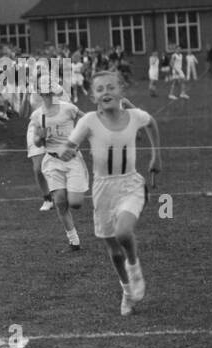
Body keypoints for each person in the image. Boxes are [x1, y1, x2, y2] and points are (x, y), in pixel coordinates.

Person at [59, 70, 161, 316]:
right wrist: (64, 151)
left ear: (121, 91)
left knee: (124, 232)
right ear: (93, 97)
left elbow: (152, 123)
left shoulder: (135, 116)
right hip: (103, 189)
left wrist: (157, 156)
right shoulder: (89, 121)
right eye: (100, 89)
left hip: (130, 185)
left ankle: (135, 268)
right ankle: (126, 291)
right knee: (114, 252)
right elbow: (69, 146)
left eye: (111, 87)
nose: (106, 92)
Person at [28, 83, 86, 250]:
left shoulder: (68, 108)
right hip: (52, 161)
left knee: (75, 203)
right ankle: (73, 240)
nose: (47, 95)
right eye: (44, 93)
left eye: (49, 92)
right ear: (40, 94)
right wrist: (41, 137)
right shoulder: (38, 115)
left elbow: (86, 120)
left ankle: (72, 197)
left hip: (72, 159)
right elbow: (37, 143)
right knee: (60, 200)